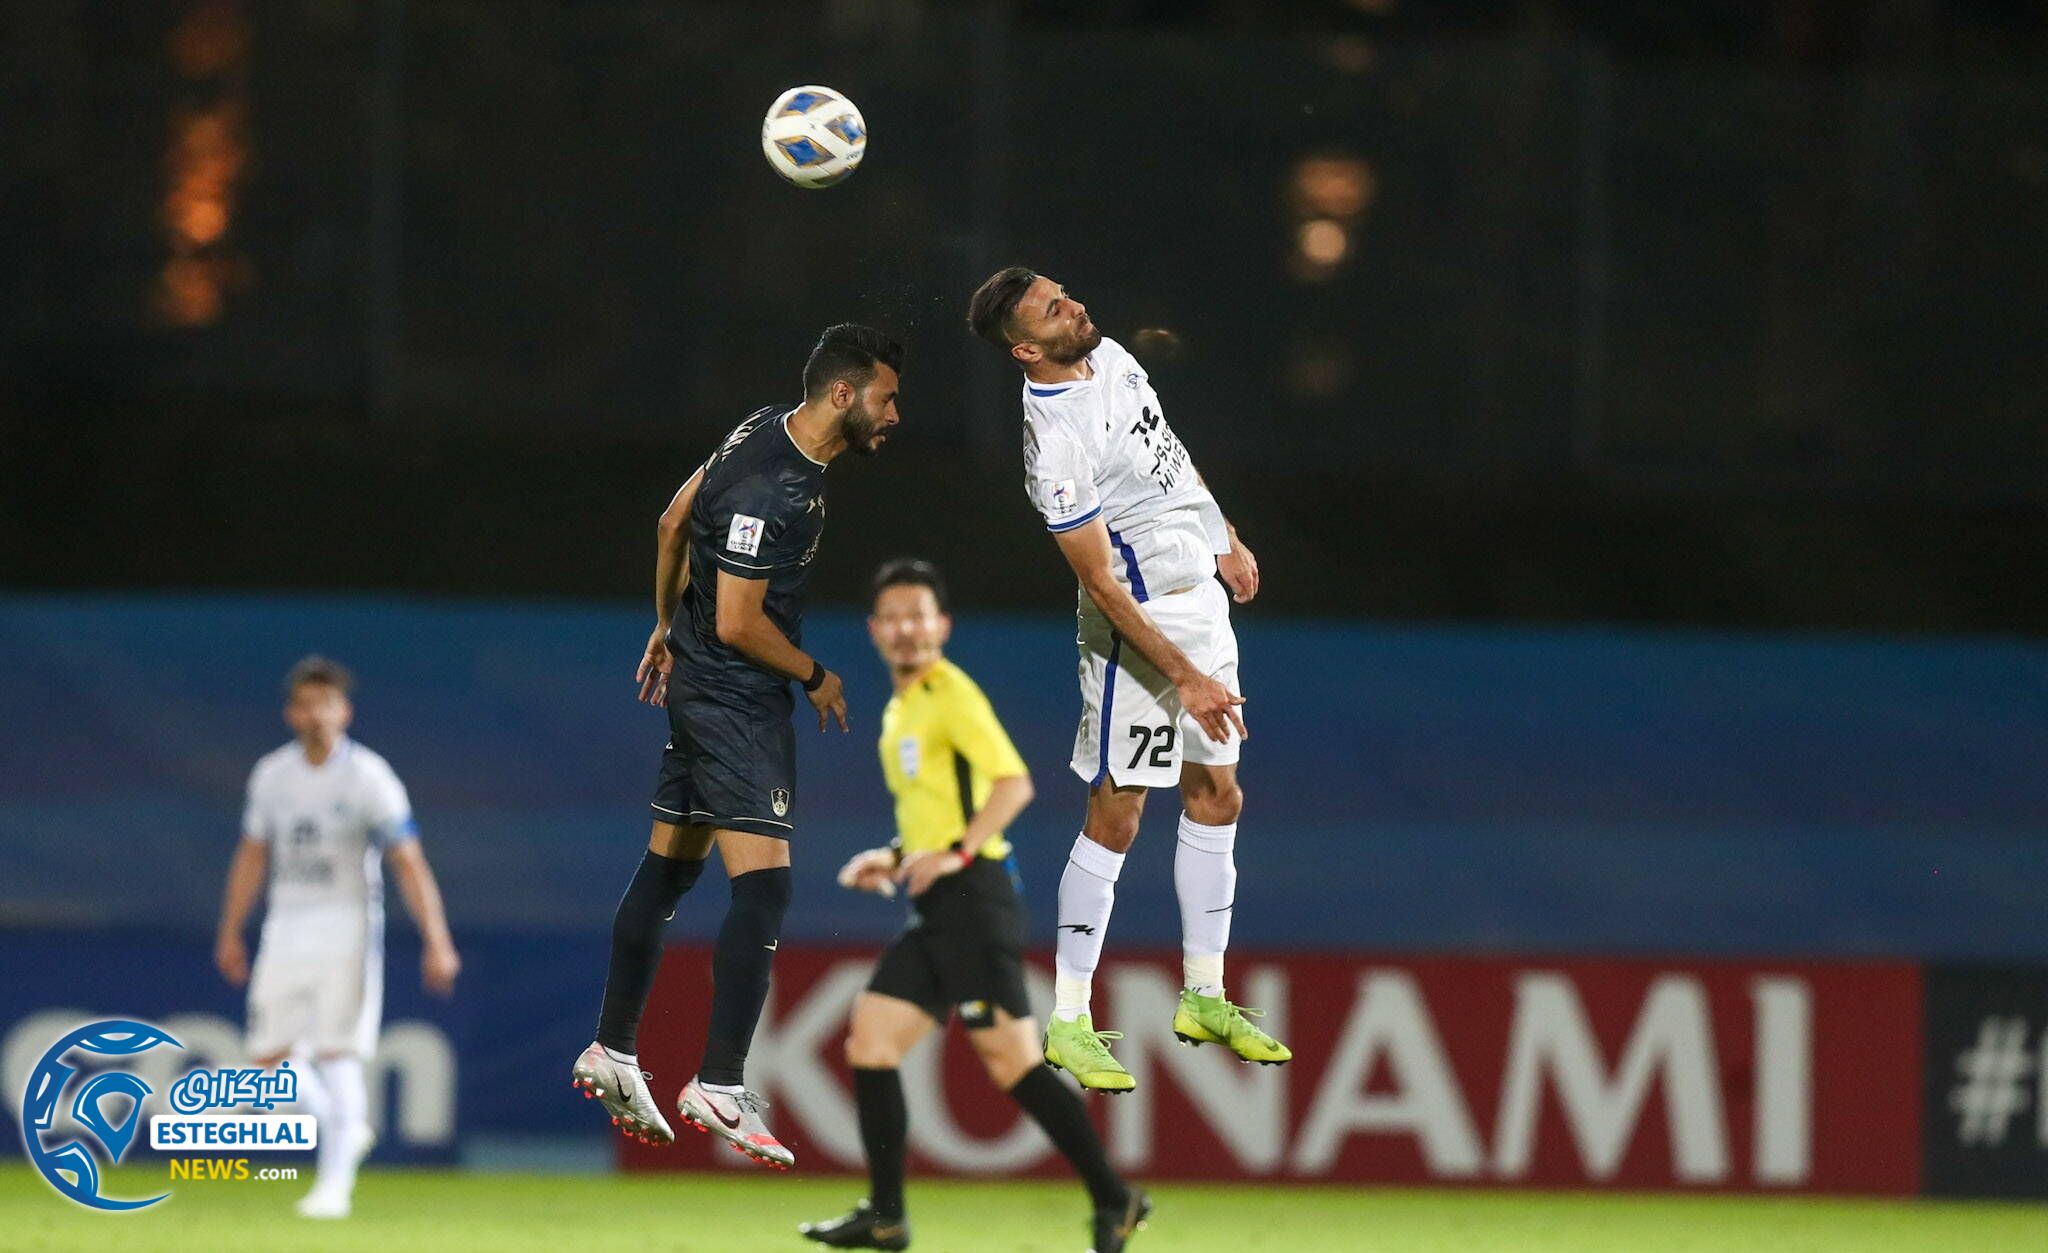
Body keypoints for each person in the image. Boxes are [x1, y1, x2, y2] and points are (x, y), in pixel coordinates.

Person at [571, 324, 904, 1171]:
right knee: (765, 888)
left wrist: (661, 627)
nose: (894, 414)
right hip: (736, 701)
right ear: (843, 395)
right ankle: (718, 1081)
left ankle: (612, 1046)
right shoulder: (778, 488)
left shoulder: (758, 425)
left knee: (671, 867)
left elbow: (672, 519)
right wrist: (816, 673)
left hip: (699, 685)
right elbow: (737, 620)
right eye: (886, 397)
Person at [965, 268, 1292, 1093]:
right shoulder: (1055, 447)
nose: (1074, 304)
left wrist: (1224, 534)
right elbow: (1104, 583)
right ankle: (1070, 1017)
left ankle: (1205, 996)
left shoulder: (1110, 355)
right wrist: (1183, 675)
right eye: (1052, 307)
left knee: (1220, 794)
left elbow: (1169, 454)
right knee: (1120, 808)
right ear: (1024, 348)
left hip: (1200, 599)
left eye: (1064, 291)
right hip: (1136, 630)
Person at [800, 559, 1150, 1253]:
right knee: (870, 1040)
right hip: (938, 906)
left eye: (918, 614)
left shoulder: (949, 691)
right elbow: (940, 809)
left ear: (942, 626)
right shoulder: (903, 706)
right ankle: (888, 1215)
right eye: (892, 616)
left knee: (1013, 1063)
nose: (906, 627)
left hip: (974, 899)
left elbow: (1012, 784)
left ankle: (1117, 1197)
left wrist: (955, 853)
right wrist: (898, 855)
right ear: (875, 630)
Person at [214, 655, 461, 1219]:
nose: (317, 714)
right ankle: (345, 1132)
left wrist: (437, 939)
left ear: (345, 711)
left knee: (336, 1053)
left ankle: (333, 1189)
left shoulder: (369, 777)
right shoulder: (272, 776)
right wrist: (231, 929)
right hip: (285, 927)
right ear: (290, 714)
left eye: (327, 702)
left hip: (347, 927)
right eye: (307, 704)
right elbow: (253, 854)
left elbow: (408, 861)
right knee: (269, 1060)